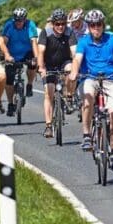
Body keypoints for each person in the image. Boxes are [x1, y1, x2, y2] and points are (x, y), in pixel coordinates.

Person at [69, 9, 113, 171]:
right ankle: (86, 135)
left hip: (111, 78)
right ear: (88, 27)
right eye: (92, 25)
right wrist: (74, 72)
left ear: (103, 25)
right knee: (88, 97)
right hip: (89, 77)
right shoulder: (84, 41)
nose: (96, 28)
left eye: (98, 25)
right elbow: (77, 59)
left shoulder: (112, 39)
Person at [37, 8, 77, 138]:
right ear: (53, 24)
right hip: (48, 64)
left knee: (71, 70)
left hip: (64, 61)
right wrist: (41, 68)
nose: (60, 26)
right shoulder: (46, 33)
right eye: (57, 24)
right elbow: (40, 52)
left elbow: (74, 51)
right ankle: (48, 126)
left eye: (63, 24)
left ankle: (69, 96)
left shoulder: (69, 32)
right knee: (49, 92)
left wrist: (77, 68)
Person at [0, 7, 38, 117]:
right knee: (9, 80)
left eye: (20, 20)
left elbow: (34, 42)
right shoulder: (9, 25)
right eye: (16, 20)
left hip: (27, 53)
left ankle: (29, 84)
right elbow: (4, 41)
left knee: (32, 64)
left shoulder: (30, 25)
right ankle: (11, 104)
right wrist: (5, 55)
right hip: (12, 55)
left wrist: (36, 58)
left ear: (25, 19)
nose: (18, 23)